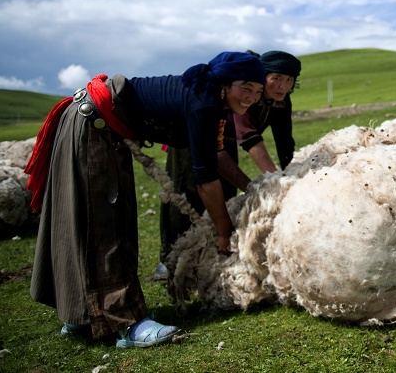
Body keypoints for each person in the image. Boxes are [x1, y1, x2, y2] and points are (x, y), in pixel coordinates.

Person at [26, 51, 265, 348]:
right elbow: (205, 179)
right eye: (246, 88)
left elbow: (216, 156)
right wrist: (224, 232)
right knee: (105, 223)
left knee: (89, 217)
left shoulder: (210, 100)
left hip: (95, 125)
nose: (252, 97)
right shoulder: (203, 101)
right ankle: (126, 322)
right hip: (93, 127)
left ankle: (83, 315)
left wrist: (254, 186)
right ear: (225, 83)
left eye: (258, 91)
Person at [155, 50, 301, 280]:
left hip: (224, 140)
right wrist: (276, 184)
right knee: (187, 192)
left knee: (226, 194)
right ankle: (169, 260)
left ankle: (214, 253)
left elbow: (284, 140)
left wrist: (292, 174)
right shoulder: (249, 93)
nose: (283, 86)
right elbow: (249, 136)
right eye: (277, 79)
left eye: (289, 80)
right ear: (263, 76)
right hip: (193, 135)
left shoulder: (281, 101)